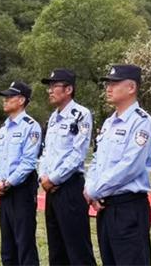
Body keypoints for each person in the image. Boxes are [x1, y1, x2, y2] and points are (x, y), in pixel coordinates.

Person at [85, 64, 151, 266]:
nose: (108, 88)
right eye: (107, 83)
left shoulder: (141, 123)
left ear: (131, 87)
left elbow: (130, 167)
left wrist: (95, 191)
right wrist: (90, 188)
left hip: (128, 206)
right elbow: (98, 160)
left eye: (114, 83)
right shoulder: (109, 123)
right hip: (106, 206)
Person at [38, 69, 96, 266]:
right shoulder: (53, 118)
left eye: (55, 86)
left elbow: (77, 154)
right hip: (50, 189)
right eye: (49, 86)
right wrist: (43, 177)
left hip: (70, 186)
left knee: (77, 248)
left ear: (69, 89)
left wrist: (54, 178)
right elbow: (45, 152)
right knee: (56, 247)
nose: (50, 91)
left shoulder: (81, 114)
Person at [0, 81, 42, 266]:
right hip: (4, 190)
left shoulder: (30, 126)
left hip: (20, 189)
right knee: (8, 245)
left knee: (24, 242)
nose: (5, 100)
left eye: (9, 97)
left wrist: (7, 183)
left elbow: (28, 163)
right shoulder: (4, 128)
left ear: (21, 100)